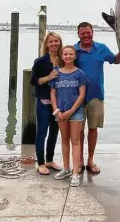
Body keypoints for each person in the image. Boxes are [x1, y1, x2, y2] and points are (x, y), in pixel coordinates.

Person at [74, 22, 120, 175]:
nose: (86, 35)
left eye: (88, 32)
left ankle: (90, 160)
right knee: (78, 131)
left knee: (93, 129)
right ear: (78, 34)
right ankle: (79, 160)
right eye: (83, 33)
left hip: (96, 95)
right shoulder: (73, 50)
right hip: (77, 97)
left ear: (92, 32)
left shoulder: (101, 48)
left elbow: (116, 60)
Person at [50, 45, 88, 186]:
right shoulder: (56, 73)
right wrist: (57, 111)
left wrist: (71, 111)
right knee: (64, 139)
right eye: (65, 54)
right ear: (62, 56)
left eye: (70, 54)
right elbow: (53, 93)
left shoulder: (80, 74)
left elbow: (82, 95)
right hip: (60, 111)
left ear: (75, 56)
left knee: (75, 140)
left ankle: (76, 173)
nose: (68, 56)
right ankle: (66, 168)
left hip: (75, 112)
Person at [30, 31, 63, 175]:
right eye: (51, 41)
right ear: (46, 44)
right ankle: (41, 163)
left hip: (60, 103)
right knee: (42, 132)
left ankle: (50, 160)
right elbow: (33, 81)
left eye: (56, 41)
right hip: (44, 102)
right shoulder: (40, 62)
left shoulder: (64, 59)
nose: (54, 43)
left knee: (55, 132)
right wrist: (48, 77)